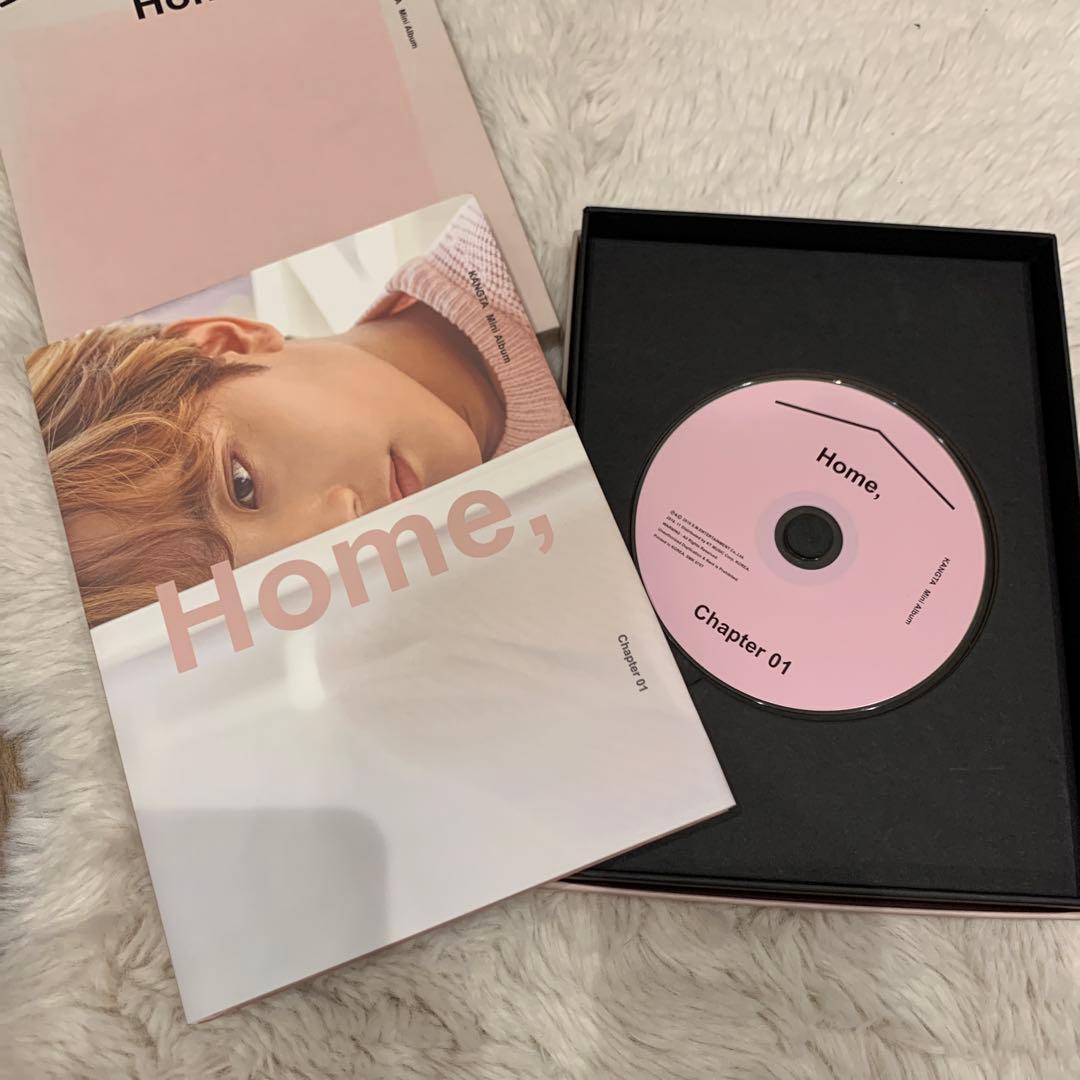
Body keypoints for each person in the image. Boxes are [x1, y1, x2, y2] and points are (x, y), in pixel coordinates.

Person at [27, 199, 569, 627]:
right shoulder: (518, 607)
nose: (344, 535)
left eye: (242, 484)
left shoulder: (536, 227)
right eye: (274, 592)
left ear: (224, 342)